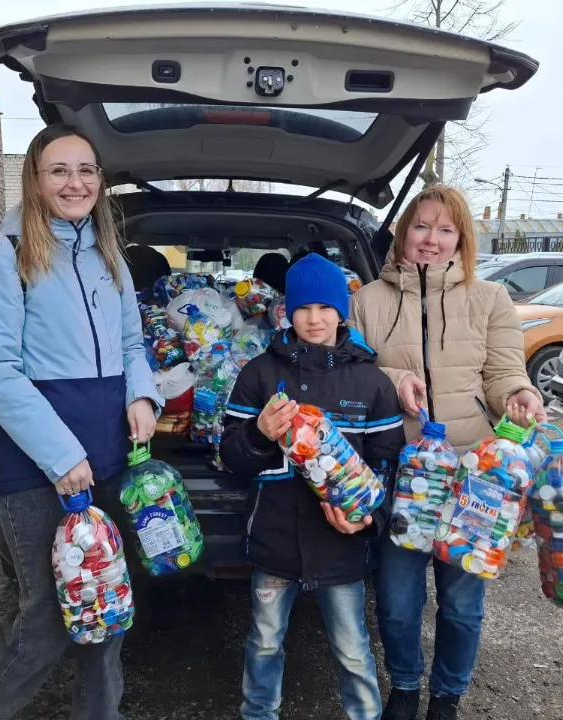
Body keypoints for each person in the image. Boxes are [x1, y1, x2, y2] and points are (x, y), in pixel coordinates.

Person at [0, 124, 164, 720]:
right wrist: (62, 455)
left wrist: (141, 396)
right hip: (36, 465)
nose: (75, 183)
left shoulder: (108, 256)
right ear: (37, 180)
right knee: (45, 615)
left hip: (109, 455)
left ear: (101, 179)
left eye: (86, 170)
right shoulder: (7, 256)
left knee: (108, 601)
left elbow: (130, 343)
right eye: (60, 171)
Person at [345, 185, 546, 720]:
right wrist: (393, 378)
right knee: (397, 601)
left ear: (461, 239)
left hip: (474, 478)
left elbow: (504, 372)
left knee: (461, 604)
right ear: (403, 232)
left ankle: (447, 698)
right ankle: (405, 687)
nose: (431, 240)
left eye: (445, 229)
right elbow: (352, 373)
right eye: (421, 226)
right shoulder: (367, 299)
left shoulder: (490, 299)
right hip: (401, 471)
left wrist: (520, 394)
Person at [219, 253, 406, 720]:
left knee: (353, 649)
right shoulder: (259, 375)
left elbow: (388, 463)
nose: (315, 318)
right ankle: (258, 713)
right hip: (275, 539)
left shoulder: (371, 381)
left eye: (326, 307)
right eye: (304, 307)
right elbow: (231, 459)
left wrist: (367, 518)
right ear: (287, 311)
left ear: (343, 311)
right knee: (263, 642)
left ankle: (365, 714)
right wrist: (260, 433)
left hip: (340, 543)